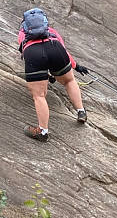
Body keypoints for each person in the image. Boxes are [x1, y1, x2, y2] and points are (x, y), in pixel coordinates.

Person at [17, 8, 88, 141]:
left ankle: (43, 132)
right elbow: (64, 51)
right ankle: (81, 111)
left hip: (33, 54)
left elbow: (24, 53)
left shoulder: (22, 34)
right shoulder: (52, 32)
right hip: (55, 49)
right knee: (69, 81)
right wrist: (76, 66)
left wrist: (45, 76)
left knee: (39, 95)